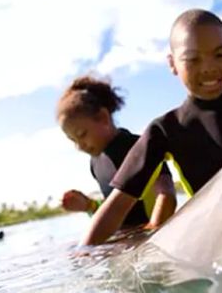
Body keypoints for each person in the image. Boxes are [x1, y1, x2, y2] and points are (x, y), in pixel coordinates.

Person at [81, 9, 222, 245]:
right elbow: (117, 205)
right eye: (193, 59)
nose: (208, 68)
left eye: (220, 54)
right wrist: (86, 252)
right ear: (172, 63)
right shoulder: (165, 129)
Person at [57, 76, 177, 230]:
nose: (80, 146)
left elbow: (166, 194)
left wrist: (153, 231)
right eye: (73, 140)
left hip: (153, 237)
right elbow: (115, 212)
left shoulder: (139, 147)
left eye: (82, 135)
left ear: (103, 118)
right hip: (129, 240)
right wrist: (89, 205)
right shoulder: (96, 163)